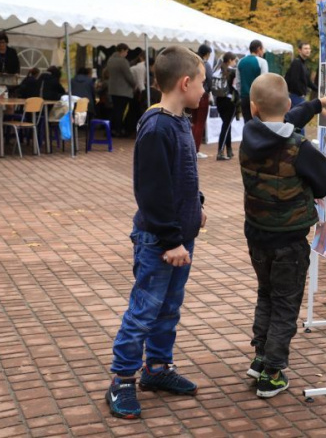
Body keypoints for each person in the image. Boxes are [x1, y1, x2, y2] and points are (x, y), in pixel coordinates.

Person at [106, 46, 207, 419]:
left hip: (180, 235)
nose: (204, 89)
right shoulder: (157, 126)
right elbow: (151, 191)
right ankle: (122, 380)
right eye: (202, 83)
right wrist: (171, 239)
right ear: (185, 83)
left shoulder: (179, 120)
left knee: (168, 309)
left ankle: (157, 369)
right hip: (161, 241)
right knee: (144, 311)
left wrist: (198, 204)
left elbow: (182, 173)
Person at [240, 73, 326, 398]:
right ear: (287, 103)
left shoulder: (247, 136)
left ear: (253, 107)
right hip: (289, 242)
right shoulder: (300, 149)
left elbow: (279, 122)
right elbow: (323, 184)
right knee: (286, 304)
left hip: (257, 237)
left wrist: (315, 105)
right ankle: (272, 373)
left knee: (266, 295)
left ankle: (260, 356)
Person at [212, 52, 238, 160]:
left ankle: (229, 149)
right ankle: (220, 151)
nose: (235, 62)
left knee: (227, 125)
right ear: (230, 60)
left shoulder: (217, 70)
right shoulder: (232, 71)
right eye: (234, 60)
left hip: (219, 100)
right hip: (229, 101)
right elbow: (236, 86)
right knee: (226, 126)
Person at [106, 43, 137, 136]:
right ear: (122, 50)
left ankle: (111, 129)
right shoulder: (123, 61)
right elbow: (129, 76)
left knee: (116, 109)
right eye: (127, 51)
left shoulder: (110, 60)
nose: (127, 54)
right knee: (121, 111)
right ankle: (118, 130)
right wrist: (134, 85)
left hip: (113, 89)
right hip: (123, 90)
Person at [237, 39, 268, 123]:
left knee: (247, 124)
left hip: (244, 97)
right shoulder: (262, 62)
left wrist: (241, 94)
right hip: (257, 98)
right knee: (259, 125)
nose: (263, 51)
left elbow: (238, 82)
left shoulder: (240, 61)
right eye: (263, 49)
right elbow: (264, 82)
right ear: (259, 49)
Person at [284, 42, 314, 110]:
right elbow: (293, 80)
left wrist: (319, 89)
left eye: (309, 49)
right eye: (305, 48)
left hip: (300, 97)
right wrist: (301, 93)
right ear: (299, 50)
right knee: (297, 118)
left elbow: (308, 82)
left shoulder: (303, 64)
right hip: (296, 97)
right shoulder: (297, 63)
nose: (308, 50)